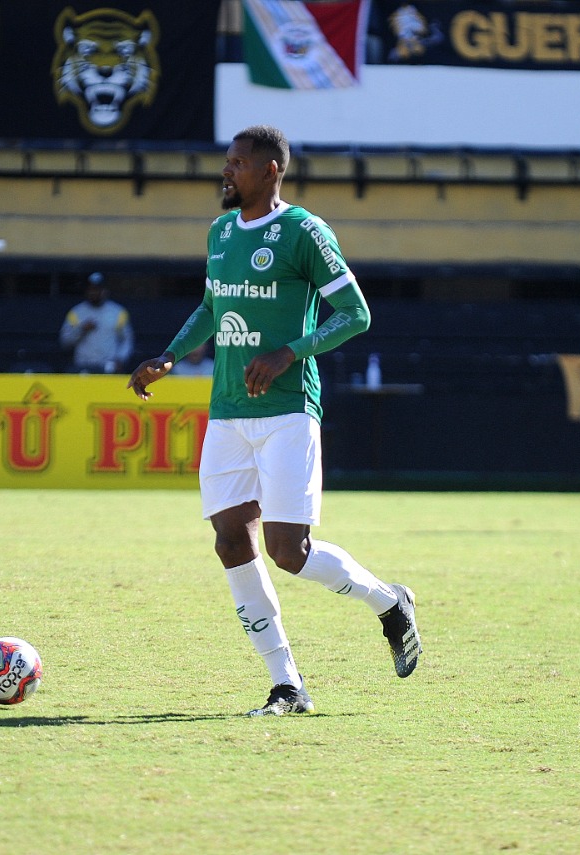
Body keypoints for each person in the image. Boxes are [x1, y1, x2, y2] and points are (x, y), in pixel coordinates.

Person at [127, 124, 421, 717]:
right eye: (227, 162)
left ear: (270, 171)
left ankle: (389, 603)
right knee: (230, 538)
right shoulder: (219, 232)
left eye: (238, 163)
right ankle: (287, 684)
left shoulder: (303, 233)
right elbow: (212, 307)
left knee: (290, 551)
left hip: (288, 410)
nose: (227, 171)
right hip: (228, 414)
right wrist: (170, 354)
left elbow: (356, 314)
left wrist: (291, 350)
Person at [59, 272, 134, 373]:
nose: (94, 292)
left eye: (98, 289)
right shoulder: (76, 312)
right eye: (91, 289)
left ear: (105, 291)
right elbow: (65, 341)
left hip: (108, 366)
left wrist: (120, 359)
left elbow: (127, 340)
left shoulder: (118, 312)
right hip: (83, 366)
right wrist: (81, 330)